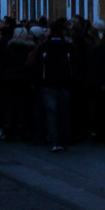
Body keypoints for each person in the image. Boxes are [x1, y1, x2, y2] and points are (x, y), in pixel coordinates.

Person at [34, 19, 74, 151]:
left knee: (51, 113)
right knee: (64, 113)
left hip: (49, 84)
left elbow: (38, 65)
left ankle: (55, 140)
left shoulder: (45, 47)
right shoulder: (67, 46)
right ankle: (63, 139)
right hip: (65, 83)